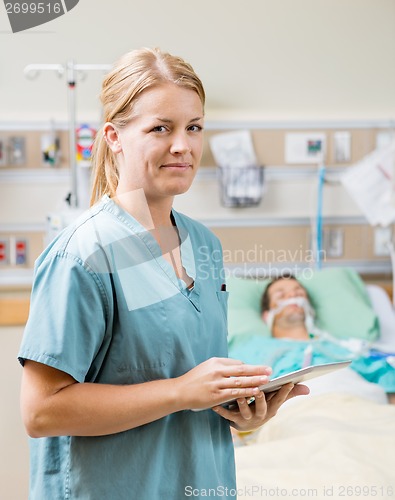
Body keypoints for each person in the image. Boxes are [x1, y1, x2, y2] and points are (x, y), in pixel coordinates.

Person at [18, 48, 309, 499]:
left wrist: (241, 410)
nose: (183, 146)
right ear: (114, 136)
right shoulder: (82, 254)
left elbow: (190, 382)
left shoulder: (205, 246)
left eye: (194, 127)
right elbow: (41, 412)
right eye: (161, 128)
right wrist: (180, 392)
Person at [259, 274, 395, 403]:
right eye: (281, 295)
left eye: (299, 293)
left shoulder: (342, 347)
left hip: (359, 401)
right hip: (297, 409)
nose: (293, 295)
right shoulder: (257, 348)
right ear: (266, 315)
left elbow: (383, 377)